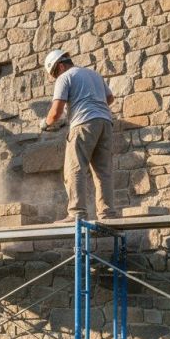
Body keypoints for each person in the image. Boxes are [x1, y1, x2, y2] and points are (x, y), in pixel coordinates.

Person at [41, 49, 116, 221]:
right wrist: (93, 104)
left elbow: (55, 113)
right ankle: (107, 214)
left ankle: (77, 213)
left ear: (60, 66)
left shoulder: (65, 77)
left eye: (54, 74)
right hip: (105, 123)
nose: (55, 77)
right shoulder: (94, 75)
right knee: (103, 172)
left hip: (83, 123)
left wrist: (46, 123)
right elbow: (110, 98)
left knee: (74, 168)